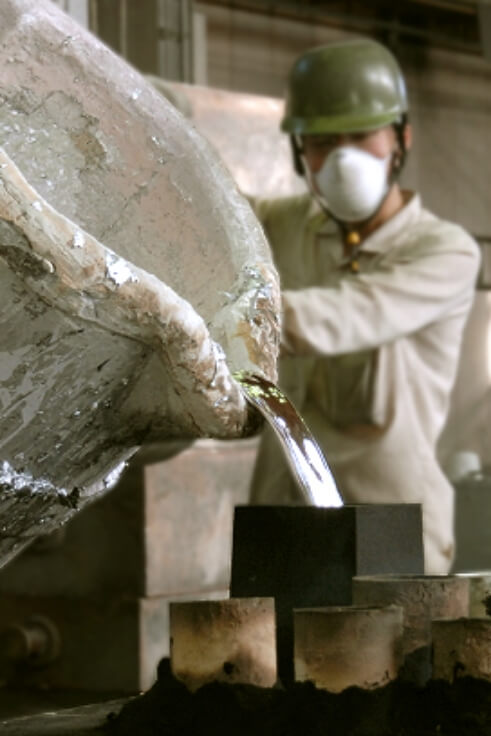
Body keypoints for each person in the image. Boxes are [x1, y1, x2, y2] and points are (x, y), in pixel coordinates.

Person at [249, 37, 481, 574]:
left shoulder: (444, 251)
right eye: (324, 142)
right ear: (299, 151)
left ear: (402, 137)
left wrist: (230, 316)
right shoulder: (282, 225)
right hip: (281, 525)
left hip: (393, 534)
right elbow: (206, 209)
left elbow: (349, 314)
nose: (343, 159)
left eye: (361, 136)